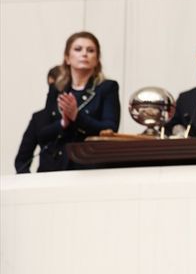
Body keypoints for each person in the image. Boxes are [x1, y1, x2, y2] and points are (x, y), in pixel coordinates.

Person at [36, 31, 120, 171]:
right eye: (78, 49)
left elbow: (110, 129)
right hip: (55, 165)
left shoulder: (107, 87)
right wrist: (63, 123)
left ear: (97, 59)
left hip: (88, 165)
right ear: (67, 58)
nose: (84, 54)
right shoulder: (57, 89)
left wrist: (77, 117)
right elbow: (42, 135)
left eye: (90, 50)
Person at [14, 65, 62, 173]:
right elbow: (21, 160)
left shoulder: (85, 116)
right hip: (45, 178)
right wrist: (31, 182)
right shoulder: (39, 118)